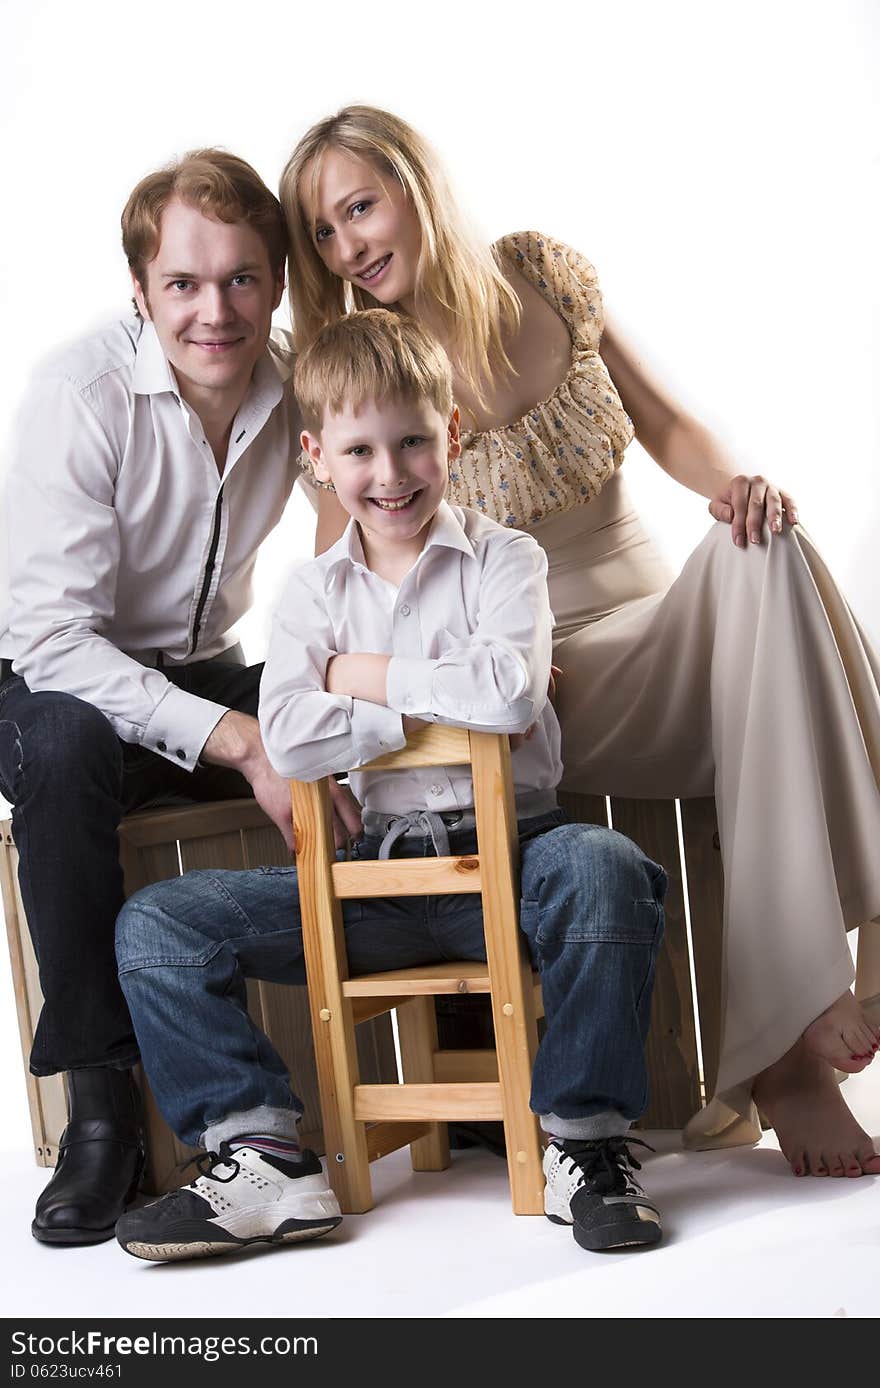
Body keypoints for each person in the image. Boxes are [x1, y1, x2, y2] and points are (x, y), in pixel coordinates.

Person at [277, 105, 880, 1181]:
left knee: (767, 543)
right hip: (549, 676)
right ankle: (791, 1057)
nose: (347, 248)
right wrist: (347, 714)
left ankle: (816, 991)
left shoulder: (539, 273)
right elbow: (345, 588)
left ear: (418, 184)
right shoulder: (368, 375)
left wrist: (732, 484)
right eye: (321, 233)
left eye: (359, 207)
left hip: (666, 625)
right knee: (744, 576)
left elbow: (668, 423)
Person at [113, 308, 668, 1263]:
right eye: (361, 449)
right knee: (157, 925)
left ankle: (584, 1142)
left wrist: (355, 679)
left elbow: (509, 693)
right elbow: (287, 732)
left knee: (609, 865)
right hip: (373, 877)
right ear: (317, 458)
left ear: (450, 434)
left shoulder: (507, 559)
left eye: (413, 441)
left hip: (522, 852)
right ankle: (264, 1158)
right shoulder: (312, 594)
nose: (392, 472)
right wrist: (416, 699)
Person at [0, 148, 360, 1246]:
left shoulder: (295, 380)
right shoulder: (81, 391)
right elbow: (50, 634)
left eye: (243, 279)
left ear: (278, 284)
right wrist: (242, 739)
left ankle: (440, 1039)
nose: (216, 311)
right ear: (142, 291)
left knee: (360, 712)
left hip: (197, 663)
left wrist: (331, 678)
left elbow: (359, 514)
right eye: (185, 284)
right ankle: (101, 1114)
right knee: (62, 753)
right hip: (46, 671)